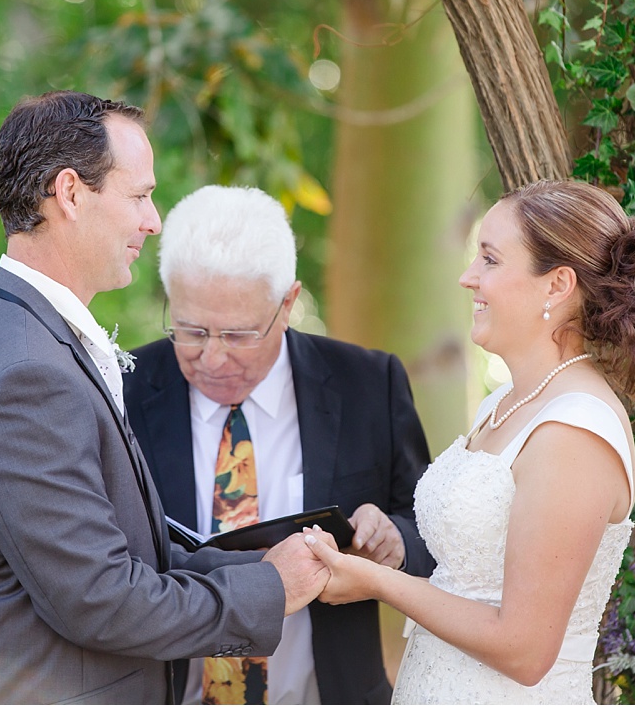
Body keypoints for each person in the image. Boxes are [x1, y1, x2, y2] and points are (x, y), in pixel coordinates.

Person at [0, 92, 328, 704]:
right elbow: (100, 598)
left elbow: (131, 552)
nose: (154, 220)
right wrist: (271, 590)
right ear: (70, 193)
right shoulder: (26, 375)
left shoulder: (25, 333)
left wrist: (257, 566)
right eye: (139, 196)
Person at [302, 179, 635, 704]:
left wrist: (377, 583)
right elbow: (468, 575)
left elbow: (524, 650)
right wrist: (389, 548)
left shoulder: (575, 430)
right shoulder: (502, 403)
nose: (468, 278)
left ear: (557, 285)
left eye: (490, 260)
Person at [123, 185, 436, 705]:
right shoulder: (122, 389)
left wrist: (396, 541)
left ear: (287, 303)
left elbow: (433, 527)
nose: (214, 358)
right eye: (192, 331)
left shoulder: (367, 384)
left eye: (240, 335)